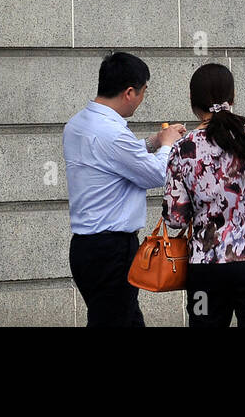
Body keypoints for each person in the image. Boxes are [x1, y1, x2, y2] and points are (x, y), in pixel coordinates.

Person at [162, 62, 245, 327]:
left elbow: (175, 220)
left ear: (193, 101)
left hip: (206, 268)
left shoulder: (182, 148)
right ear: (232, 97)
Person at [64, 52, 186, 327]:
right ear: (129, 92)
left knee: (124, 319)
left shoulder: (76, 125)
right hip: (112, 250)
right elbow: (156, 173)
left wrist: (154, 141)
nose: (142, 99)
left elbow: (114, 160)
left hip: (86, 247)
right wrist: (167, 145)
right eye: (143, 92)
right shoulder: (113, 133)